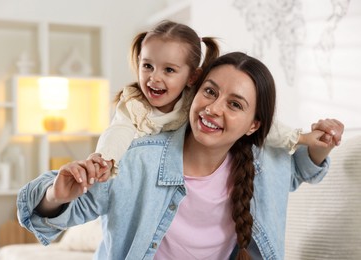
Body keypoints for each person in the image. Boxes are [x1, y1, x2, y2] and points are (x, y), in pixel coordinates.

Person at [17, 52, 344, 260]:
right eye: (210, 91)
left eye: (234, 104)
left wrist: (320, 145)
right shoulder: (136, 160)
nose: (213, 108)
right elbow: (42, 214)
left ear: (253, 125)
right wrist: (55, 196)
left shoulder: (265, 162)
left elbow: (298, 171)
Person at [93, 20, 323, 180]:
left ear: (192, 77)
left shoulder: (193, 99)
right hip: (140, 171)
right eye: (147, 66)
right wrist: (105, 160)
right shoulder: (134, 106)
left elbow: (263, 126)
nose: (154, 78)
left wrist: (301, 137)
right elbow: (117, 132)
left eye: (169, 70)